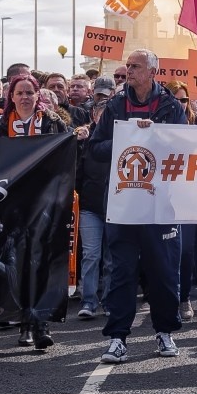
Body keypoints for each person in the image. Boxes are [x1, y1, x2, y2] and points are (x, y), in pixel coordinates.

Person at [87, 48, 187, 364]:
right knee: (121, 274)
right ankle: (117, 339)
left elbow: (185, 148)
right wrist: (127, 140)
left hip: (161, 206)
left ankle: (165, 332)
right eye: (127, 66)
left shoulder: (171, 106)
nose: (129, 71)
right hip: (124, 206)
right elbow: (95, 148)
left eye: (135, 66)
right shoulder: (116, 105)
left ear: (152, 72)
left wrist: (155, 136)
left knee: (163, 272)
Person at [0, 73, 69, 350]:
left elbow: (64, 157)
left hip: (45, 204)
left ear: (37, 94)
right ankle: (25, 323)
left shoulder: (53, 123)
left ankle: (41, 323)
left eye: (30, 92)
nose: (25, 97)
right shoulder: (0, 127)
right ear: (12, 97)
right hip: (13, 207)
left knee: (41, 261)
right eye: (19, 93)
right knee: (18, 264)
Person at [73, 80, 115, 319]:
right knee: (91, 255)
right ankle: (88, 301)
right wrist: (77, 143)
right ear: (93, 114)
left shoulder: (122, 138)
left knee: (111, 257)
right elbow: (75, 170)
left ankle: (109, 300)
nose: (103, 118)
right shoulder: (83, 138)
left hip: (114, 206)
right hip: (90, 206)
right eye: (100, 114)